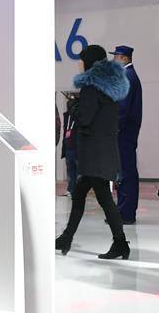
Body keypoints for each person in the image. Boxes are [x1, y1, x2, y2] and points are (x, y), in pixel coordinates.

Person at [55, 45, 130, 260]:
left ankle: (120, 243)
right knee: (80, 194)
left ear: (89, 62)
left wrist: (73, 105)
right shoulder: (109, 88)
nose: (79, 64)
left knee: (104, 198)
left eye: (81, 60)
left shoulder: (90, 87)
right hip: (103, 151)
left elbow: (85, 118)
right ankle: (66, 238)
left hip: (94, 155)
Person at [111, 46, 142, 224]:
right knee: (124, 172)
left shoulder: (127, 76)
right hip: (127, 132)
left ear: (124, 58)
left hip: (124, 133)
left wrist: (115, 129)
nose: (114, 60)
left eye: (116, 57)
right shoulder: (129, 75)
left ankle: (126, 213)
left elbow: (122, 108)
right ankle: (123, 210)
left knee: (126, 173)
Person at [61, 92, 79, 195]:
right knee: (70, 170)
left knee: (78, 171)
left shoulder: (78, 116)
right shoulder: (67, 116)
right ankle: (71, 189)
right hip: (69, 147)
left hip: (77, 147)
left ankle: (78, 190)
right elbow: (65, 131)